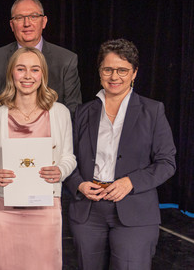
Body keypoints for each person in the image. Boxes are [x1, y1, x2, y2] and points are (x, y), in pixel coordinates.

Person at [64, 39, 176, 270]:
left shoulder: (153, 111)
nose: (114, 76)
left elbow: (166, 163)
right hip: (88, 210)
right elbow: (67, 158)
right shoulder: (82, 112)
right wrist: (79, 184)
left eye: (123, 70)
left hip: (135, 211)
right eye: (108, 69)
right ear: (100, 72)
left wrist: (130, 182)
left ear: (134, 73)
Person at [0, 47, 76, 269]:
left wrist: (61, 171)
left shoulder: (60, 113)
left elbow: (69, 157)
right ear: (11, 74)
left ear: (42, 74)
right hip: (6, 209)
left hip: (46, 208)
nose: (27, 76)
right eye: (21, 69)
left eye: (34, 70)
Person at [0, 0, 81, 123]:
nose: (27, 24)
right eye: (19, 18)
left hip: (51, 139)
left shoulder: (66, 60)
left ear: (43, 22)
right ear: (12, 25)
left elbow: (73, 110)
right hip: (7, 137)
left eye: (33, 16)